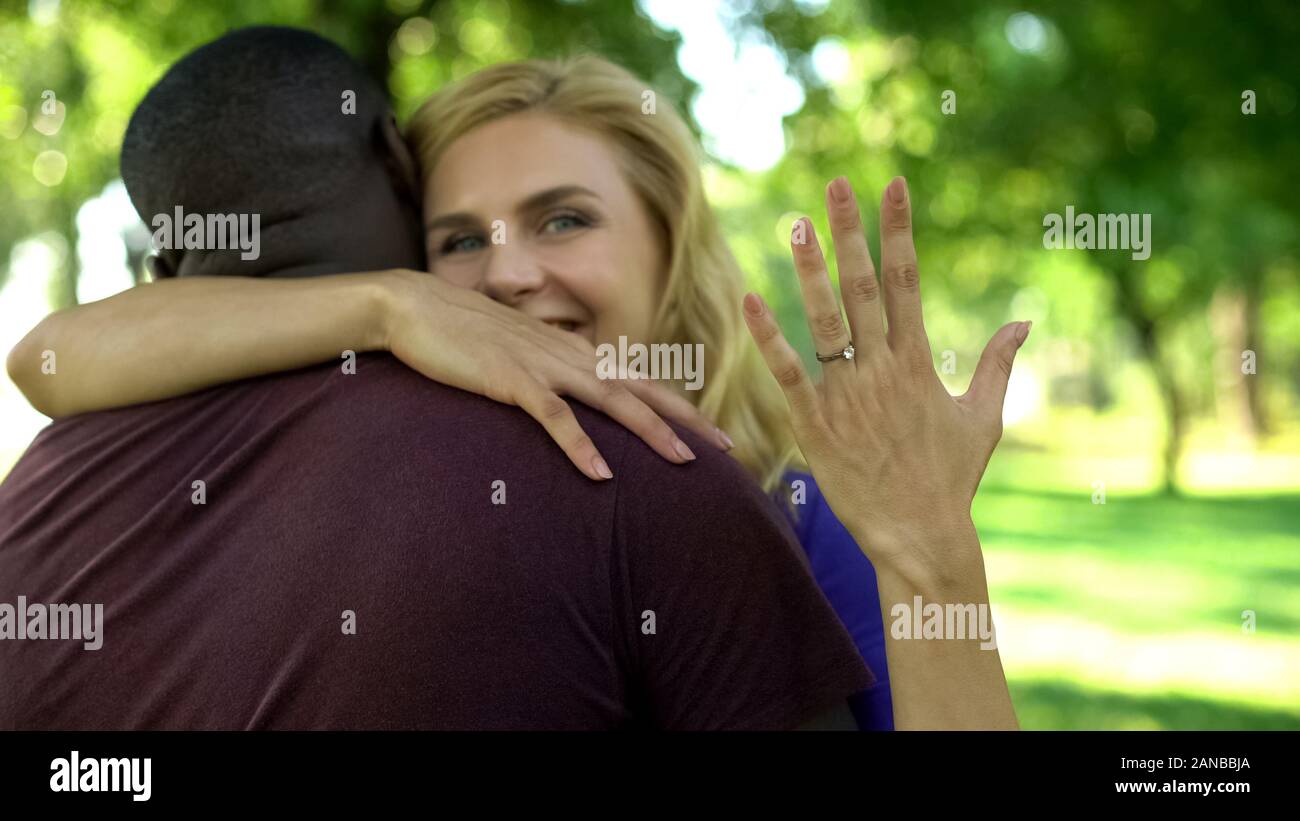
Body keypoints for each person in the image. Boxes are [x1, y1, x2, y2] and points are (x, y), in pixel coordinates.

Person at [0, 26, 874, 730]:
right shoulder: (643, 488)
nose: (505, 278)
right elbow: (44, 354)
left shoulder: (29, 505)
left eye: (564, 219)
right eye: (458, 241)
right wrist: (386, 303)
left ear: (672, 244)